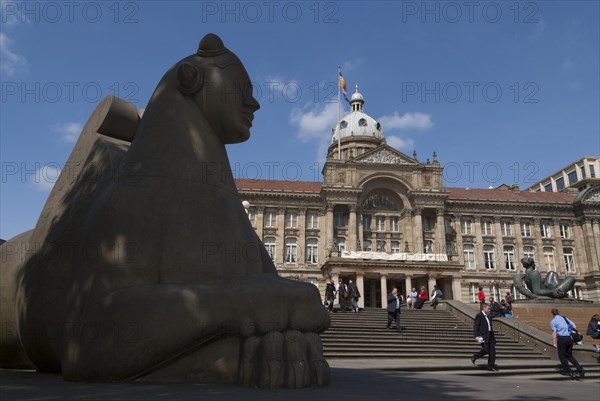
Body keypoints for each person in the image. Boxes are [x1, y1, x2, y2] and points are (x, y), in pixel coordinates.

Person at [550, 308, 584, 378]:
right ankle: (579, 368)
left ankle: (567, 371)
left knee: (562, 356)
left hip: (561, 339)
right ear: (558, 312)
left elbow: (554, 332)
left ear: (552, 314)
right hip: (569, 338)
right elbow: (574, 325)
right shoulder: (564, 318)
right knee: (569, 355)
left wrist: (554, 343)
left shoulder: (553, 321)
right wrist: (568, 330)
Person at [471, 303, 497, 371]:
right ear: (484, 308)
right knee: (486, 349)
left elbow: (490, 328)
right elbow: (476, 326)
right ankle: (474, 356)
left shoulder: (488, 316)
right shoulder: (479, 315)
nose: (489, 309)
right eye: (488, 308)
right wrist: (477, 336)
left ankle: (490, 366)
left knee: (492, 352)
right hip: (483, 336)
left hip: (490, 335)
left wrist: (494, 339)